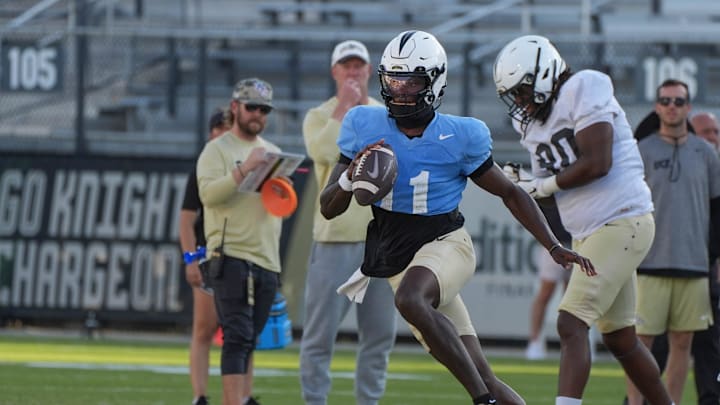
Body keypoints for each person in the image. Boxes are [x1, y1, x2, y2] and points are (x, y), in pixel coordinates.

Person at [320, 30, 594, 405]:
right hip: (395, 256)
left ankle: (481, 401)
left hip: (446, 244)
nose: (399, 90)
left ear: (434, 81)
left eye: (411, 81)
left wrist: (553, 244)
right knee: (482, 372)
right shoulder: (363, 125)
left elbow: (511, 192)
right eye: (392, 79)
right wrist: (351, 179)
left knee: (411, 299)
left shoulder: (460, 135)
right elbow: (328, 206)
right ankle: (489, 395)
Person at [493, 34, 673, 405]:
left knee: (570, 322)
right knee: (620, 338)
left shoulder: (583, 86)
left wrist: (542, 185)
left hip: (622, 219)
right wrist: (529, 188)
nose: (522, 102)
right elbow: (549, 194)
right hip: (590, 233)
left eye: (524, 91)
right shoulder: (530, 126)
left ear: (544, 73)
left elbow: (598, 161)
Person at [300, 40, 397, 405]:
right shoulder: (319, 115)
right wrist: (344, 106)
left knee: (379, 337)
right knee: (319, 336)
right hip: (335, 238)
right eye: (347, 66)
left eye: (359, 66)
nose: (353, 72)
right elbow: (324, 150)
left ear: (370, 71)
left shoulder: (383, 113)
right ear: (335, 72)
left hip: (381, 241)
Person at [626, 79, 720, 405]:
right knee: (640, 344)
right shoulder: (643, 150)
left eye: (678, 101)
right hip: (649, 263)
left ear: (688, 107)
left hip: (694, 265)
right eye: (665, 100)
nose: (672, 106)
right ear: (657, 106)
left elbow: (716, 210)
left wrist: (713, 259)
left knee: (683, 345)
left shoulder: (706, 153)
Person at [197, 78, 285, 405]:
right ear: (235, 107)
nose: (257, 114)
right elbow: (208, 194)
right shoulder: (216, 150)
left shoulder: (273, 152)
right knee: (236, 337)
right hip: (230, 253)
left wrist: (281, 189)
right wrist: (244, 170)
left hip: (266, 257)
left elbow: (279, 209)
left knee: (250, 340)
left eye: (264, 109)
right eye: (252, 107)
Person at [179, 109, 232, 405]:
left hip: (240, 252)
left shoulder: (244, 164)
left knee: (238, 332)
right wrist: (190, 258)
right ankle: (199, 396)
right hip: (209, 254)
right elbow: (186, 219)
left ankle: (237, 395)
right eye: (219, 129)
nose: (223, 135)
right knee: (204, 328)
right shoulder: (203, 168)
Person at [525, 200, 572, 361]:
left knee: (573, 297)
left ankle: (571, 343)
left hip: (578, 240)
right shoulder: (549, 181)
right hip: (554, 243)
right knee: (546, 291)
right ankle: (535, 341)